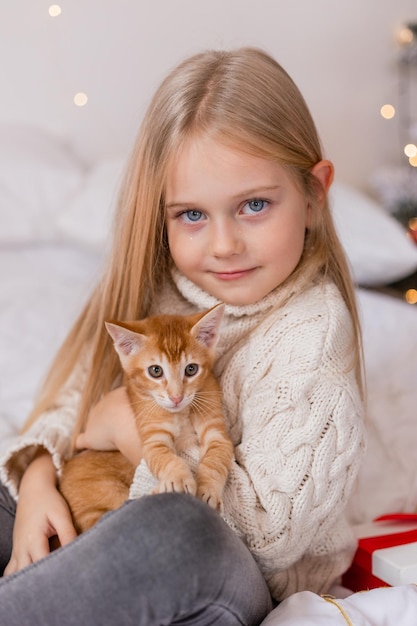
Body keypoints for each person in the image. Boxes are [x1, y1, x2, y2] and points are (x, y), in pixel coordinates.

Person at [0, 47, 365, 625]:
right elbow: (71, 404)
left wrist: (136, 439)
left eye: (253, 205)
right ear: (162, 215)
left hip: (228, 574)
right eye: (192, 215)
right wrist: (39, 481)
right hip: (105, 523)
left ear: (315, 196)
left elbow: (271, 535)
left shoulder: (313, 330)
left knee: (178, 532)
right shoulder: (157, 294)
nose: (223, 245)